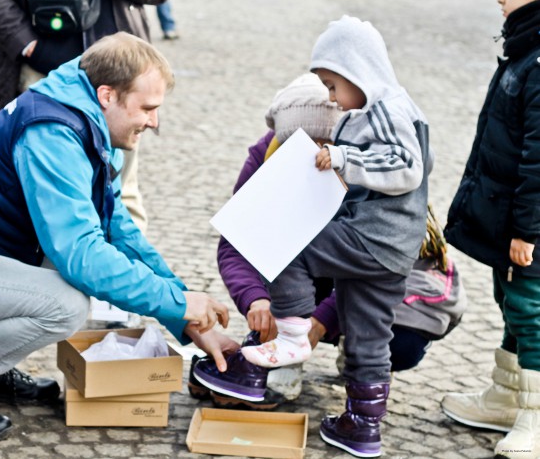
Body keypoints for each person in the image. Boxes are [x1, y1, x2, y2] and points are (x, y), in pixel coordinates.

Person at [0, 32, 235, 444]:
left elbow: (118, 232)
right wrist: (179, 302)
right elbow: (82, 255)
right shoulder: (53, 133)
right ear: (106, 95)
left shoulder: (87, 120)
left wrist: (184, 318)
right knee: (66, 304)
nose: (155, 122)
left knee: (60, 271)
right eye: (148, 108)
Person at [192, 74, 464, 409]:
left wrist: (320, 323)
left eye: (325, 145)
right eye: (301, 146)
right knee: (284, 246)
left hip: (388, 285)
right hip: (314, 269)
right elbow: (236, 241)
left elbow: (382, 264)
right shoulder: (267, 155)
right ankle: (285, 350)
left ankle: (358, 358)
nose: (314, 157)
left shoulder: (372, 163)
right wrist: (257, 301)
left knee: (399, 342)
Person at [236, 16, 433, 458]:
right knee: (367, 334)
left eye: (332, 85)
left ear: (357, 71)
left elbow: (408, 167)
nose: (331, 98)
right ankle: (362, 427)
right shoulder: (378, 109)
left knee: (289, 243)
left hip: (373, 236)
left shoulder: (387, 109)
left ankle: (290, 338)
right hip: (390, 250)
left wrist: (344, 157)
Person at [0, 0, 173, 234]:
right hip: (41, 62)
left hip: (122, 72)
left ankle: (129, 266)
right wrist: (24, 41)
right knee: (38, 200)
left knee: (120, 193)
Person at [441, 0, 540, 458]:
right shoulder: (527, 46)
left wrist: (528, 230)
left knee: (533, 311)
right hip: (513, 221)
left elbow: (539, 159)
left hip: (531, 229)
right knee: (512, 300)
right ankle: (509, 397)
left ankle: (537, 416)